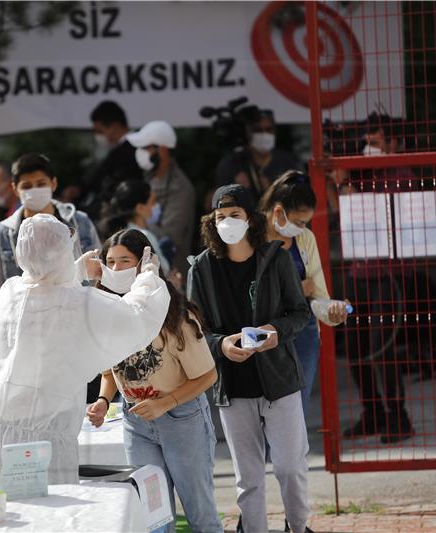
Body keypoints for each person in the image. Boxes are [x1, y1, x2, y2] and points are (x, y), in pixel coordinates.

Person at [0, 214, 170, 484]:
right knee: (47, 519)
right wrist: (147, 278)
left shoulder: (11, 291)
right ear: (62, 252)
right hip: (42, 440)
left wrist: (76, 271)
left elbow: (44, 285)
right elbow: (137, 316)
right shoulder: (78, 303)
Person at [187, 184, 313, 533]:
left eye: (235, 215)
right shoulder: (201, 269)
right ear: (211, 222)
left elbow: (300, 313)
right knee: (249, 478)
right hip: (233, 386)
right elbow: (196, 331)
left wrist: (275, 332)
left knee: (290, 467)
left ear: (250, 220)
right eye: (221, 216)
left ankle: (298, 526)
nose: (227, 221)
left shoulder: (276, 258)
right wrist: (222, 344)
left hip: (280, 379)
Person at [86, 229, 221, 533]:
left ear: (145, 265)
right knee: (154, 518)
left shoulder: (176, 316)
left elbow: (208, 374)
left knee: (200, 514)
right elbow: (110, 372)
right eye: (111, 261)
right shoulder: (106, 312)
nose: (117, 268)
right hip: (136, 423)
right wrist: (103, 400)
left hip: (182, 417)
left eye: (125, 261)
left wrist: (166, 403)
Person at [340, 114, 416, 443]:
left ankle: (398, 416)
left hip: (390, 274)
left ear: (395, 143)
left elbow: (374, 214)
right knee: (355, 346)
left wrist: (346, 184)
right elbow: (342, 213)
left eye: (377, 142)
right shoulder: (363, 173)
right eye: (367, 142)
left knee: (383, 347)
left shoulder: (401, 176)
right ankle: (372, 413)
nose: (369, 148)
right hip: (360, 272)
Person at [260, 171, 350, 417]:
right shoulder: (251, 237)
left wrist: (333, 311)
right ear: (278, 212)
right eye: (299, 222)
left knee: (295, 412)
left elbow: (317, 295)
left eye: (305, 223)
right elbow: (250, 293)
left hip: (303, 333)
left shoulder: (305, 238)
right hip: (261, 331)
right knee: (262, 410)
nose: (302, 228)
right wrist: (298, 290)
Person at [0, 153, 101, 311]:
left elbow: (100, 274)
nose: (35, 190)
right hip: (31, 324)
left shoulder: (80, 222)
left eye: (41, 183)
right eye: (27, 186)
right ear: (15, 188)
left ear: (53, 183)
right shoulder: (3, 234)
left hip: (79, 316)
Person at [127, 120, 196, 277]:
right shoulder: (148, 178)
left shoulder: (180, 188)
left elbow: (169, 239)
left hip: (171, 276)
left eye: (145, 148)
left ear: (163, 150)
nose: (140, 152)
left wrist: (136, 222)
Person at [215, 107, 300, 201]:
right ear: (248, 133)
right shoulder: (232, 163)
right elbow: (215, 203)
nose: (264, 134)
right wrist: (233, 191)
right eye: (258, 130)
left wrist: (272, 191)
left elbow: (299, 200)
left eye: (268, 129)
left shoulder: (288, 162)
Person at [79, 100, 144, 218]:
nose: (98, 136)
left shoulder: (131, 151)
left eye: (100, 131)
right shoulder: (119, 150)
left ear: (114, 126)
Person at [99, 179, 171, 274]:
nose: (157, 206)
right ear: (140, 208)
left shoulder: (115, 235)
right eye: (153, 202)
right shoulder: (144, 236)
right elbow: (163, 272)